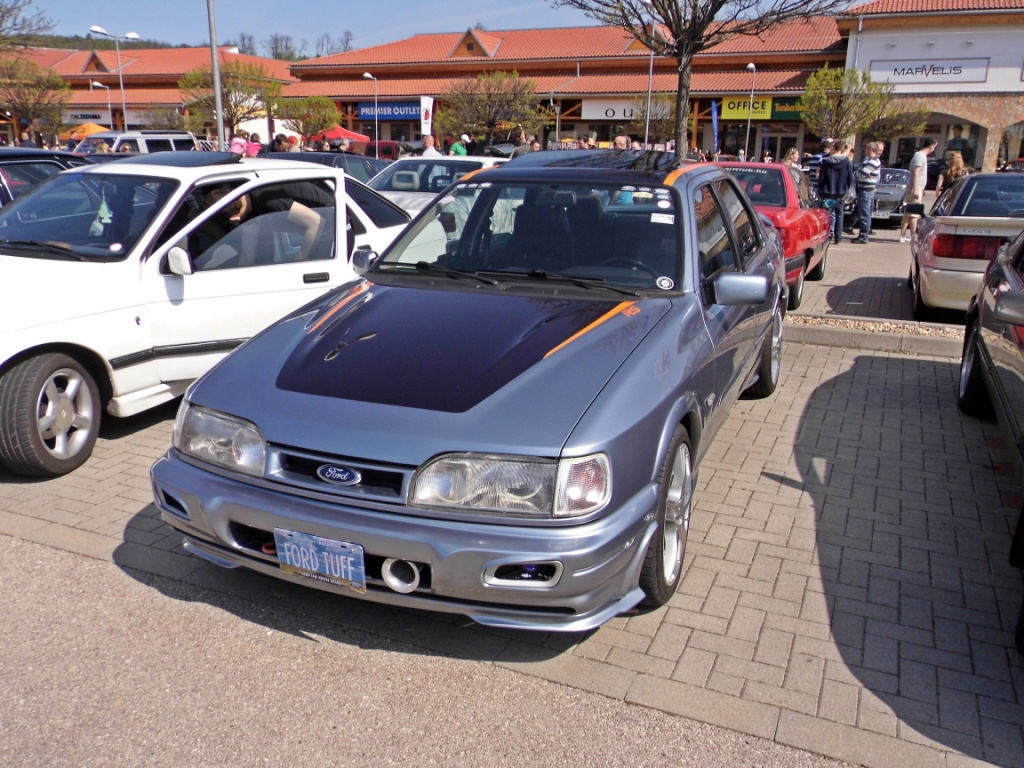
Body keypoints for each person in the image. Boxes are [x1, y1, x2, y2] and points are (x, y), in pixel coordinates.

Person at [817, 139, 854, 244]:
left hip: (828, 192)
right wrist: (845, 187)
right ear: (842, 149)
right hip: (840, 192)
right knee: (839, 215)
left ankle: (826, 236)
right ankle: (838, 237)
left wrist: (820, 189)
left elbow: (822, 178)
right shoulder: (846, 162)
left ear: (833, 148)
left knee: (827, 215)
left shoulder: (826, 161)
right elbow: (850, 177)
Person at [899, 138, 936, 243]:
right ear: (931, 146)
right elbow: (916, 173)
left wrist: (921, 189)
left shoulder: (921, 156)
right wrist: (916, 189)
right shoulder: (920, 156)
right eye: (934, 146)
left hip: (918, 187)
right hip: (915, 188)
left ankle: (902, 235)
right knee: (914, 214)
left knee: (908, 213)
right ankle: (913, 237)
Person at [852, 141, 883, 244]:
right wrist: (860, 171)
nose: (864, 150)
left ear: (870, 149)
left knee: (865, 213)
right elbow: (861, 172)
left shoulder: (873, 162)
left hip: (866, 190)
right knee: (864, 212)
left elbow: (859, 175)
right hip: (864, 189)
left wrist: (858, 172)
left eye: (866, 149)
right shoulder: (869, 161)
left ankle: (863, 236)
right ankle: (863, 234)